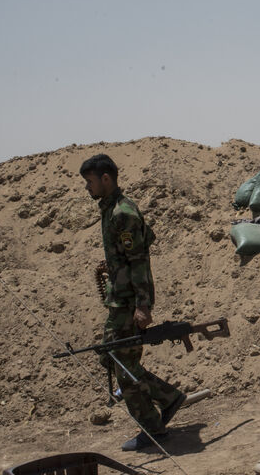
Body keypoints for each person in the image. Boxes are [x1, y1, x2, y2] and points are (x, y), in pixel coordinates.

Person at [80, 154, 186, 451]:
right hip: (120, 300)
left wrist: (143, 304)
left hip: (128, 303)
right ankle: (166, 399)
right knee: (116, 359)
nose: (87, 188)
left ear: (105, 179)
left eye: (90, 182)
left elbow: (139, 261)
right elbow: (127, 257)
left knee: (122, 364)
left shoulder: (122, 213)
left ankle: (155, 425)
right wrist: (111, 266)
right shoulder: (112, 210)